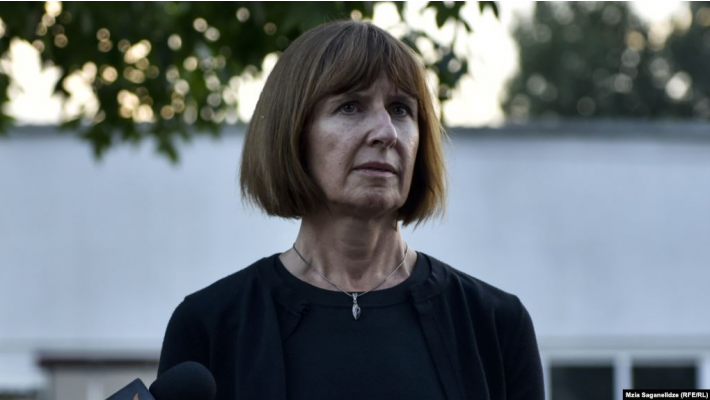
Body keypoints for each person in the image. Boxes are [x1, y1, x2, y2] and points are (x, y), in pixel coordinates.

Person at [157, 20, 544, 400]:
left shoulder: (494, 324)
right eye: (350, 107)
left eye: (401, 109)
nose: (386, 133)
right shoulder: (210, 325)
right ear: (293, 132)